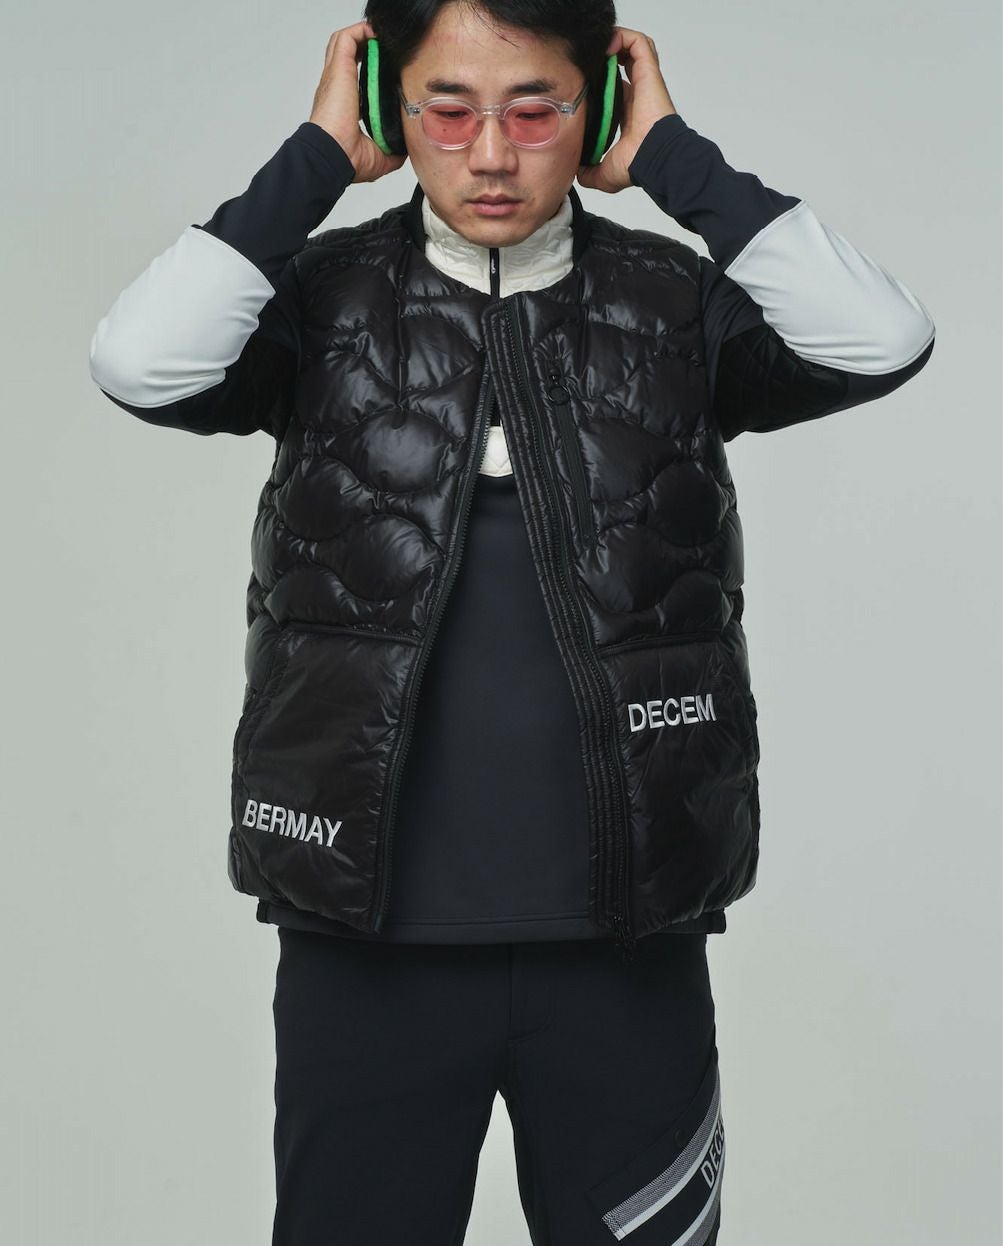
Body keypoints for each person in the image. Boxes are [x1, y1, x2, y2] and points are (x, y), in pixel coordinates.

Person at [88, 2, 936, 1241]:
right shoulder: (318, 300)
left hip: (627, 937)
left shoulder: (673, 302)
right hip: (361, 940)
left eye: (536, 110)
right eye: (446, 109)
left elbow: (884, 336)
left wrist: (675, 161)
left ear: (597, 106)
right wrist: (316, 159)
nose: (490, 153)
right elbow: (138, 360)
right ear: (389, 108)